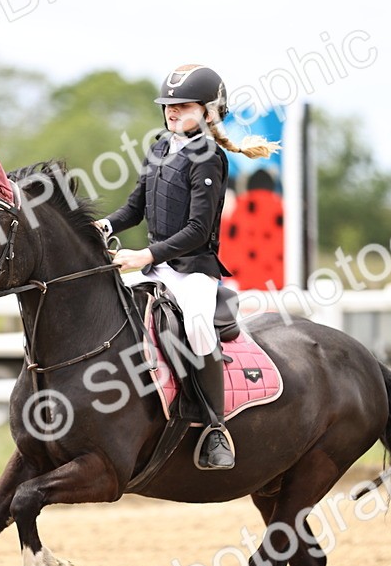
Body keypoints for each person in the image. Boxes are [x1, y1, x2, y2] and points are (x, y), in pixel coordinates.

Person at [97, 64, 279, 471]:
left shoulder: (209, 157)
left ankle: (216, 427)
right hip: (158, 266)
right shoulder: (160, 148)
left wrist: (146, 256)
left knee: (196, 325)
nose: (173, 113)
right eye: (168, 106)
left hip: (193, 269)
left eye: (183, 106)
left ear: (210, 112)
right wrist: (104, 226)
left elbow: (198, 230)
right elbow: (135, 208)